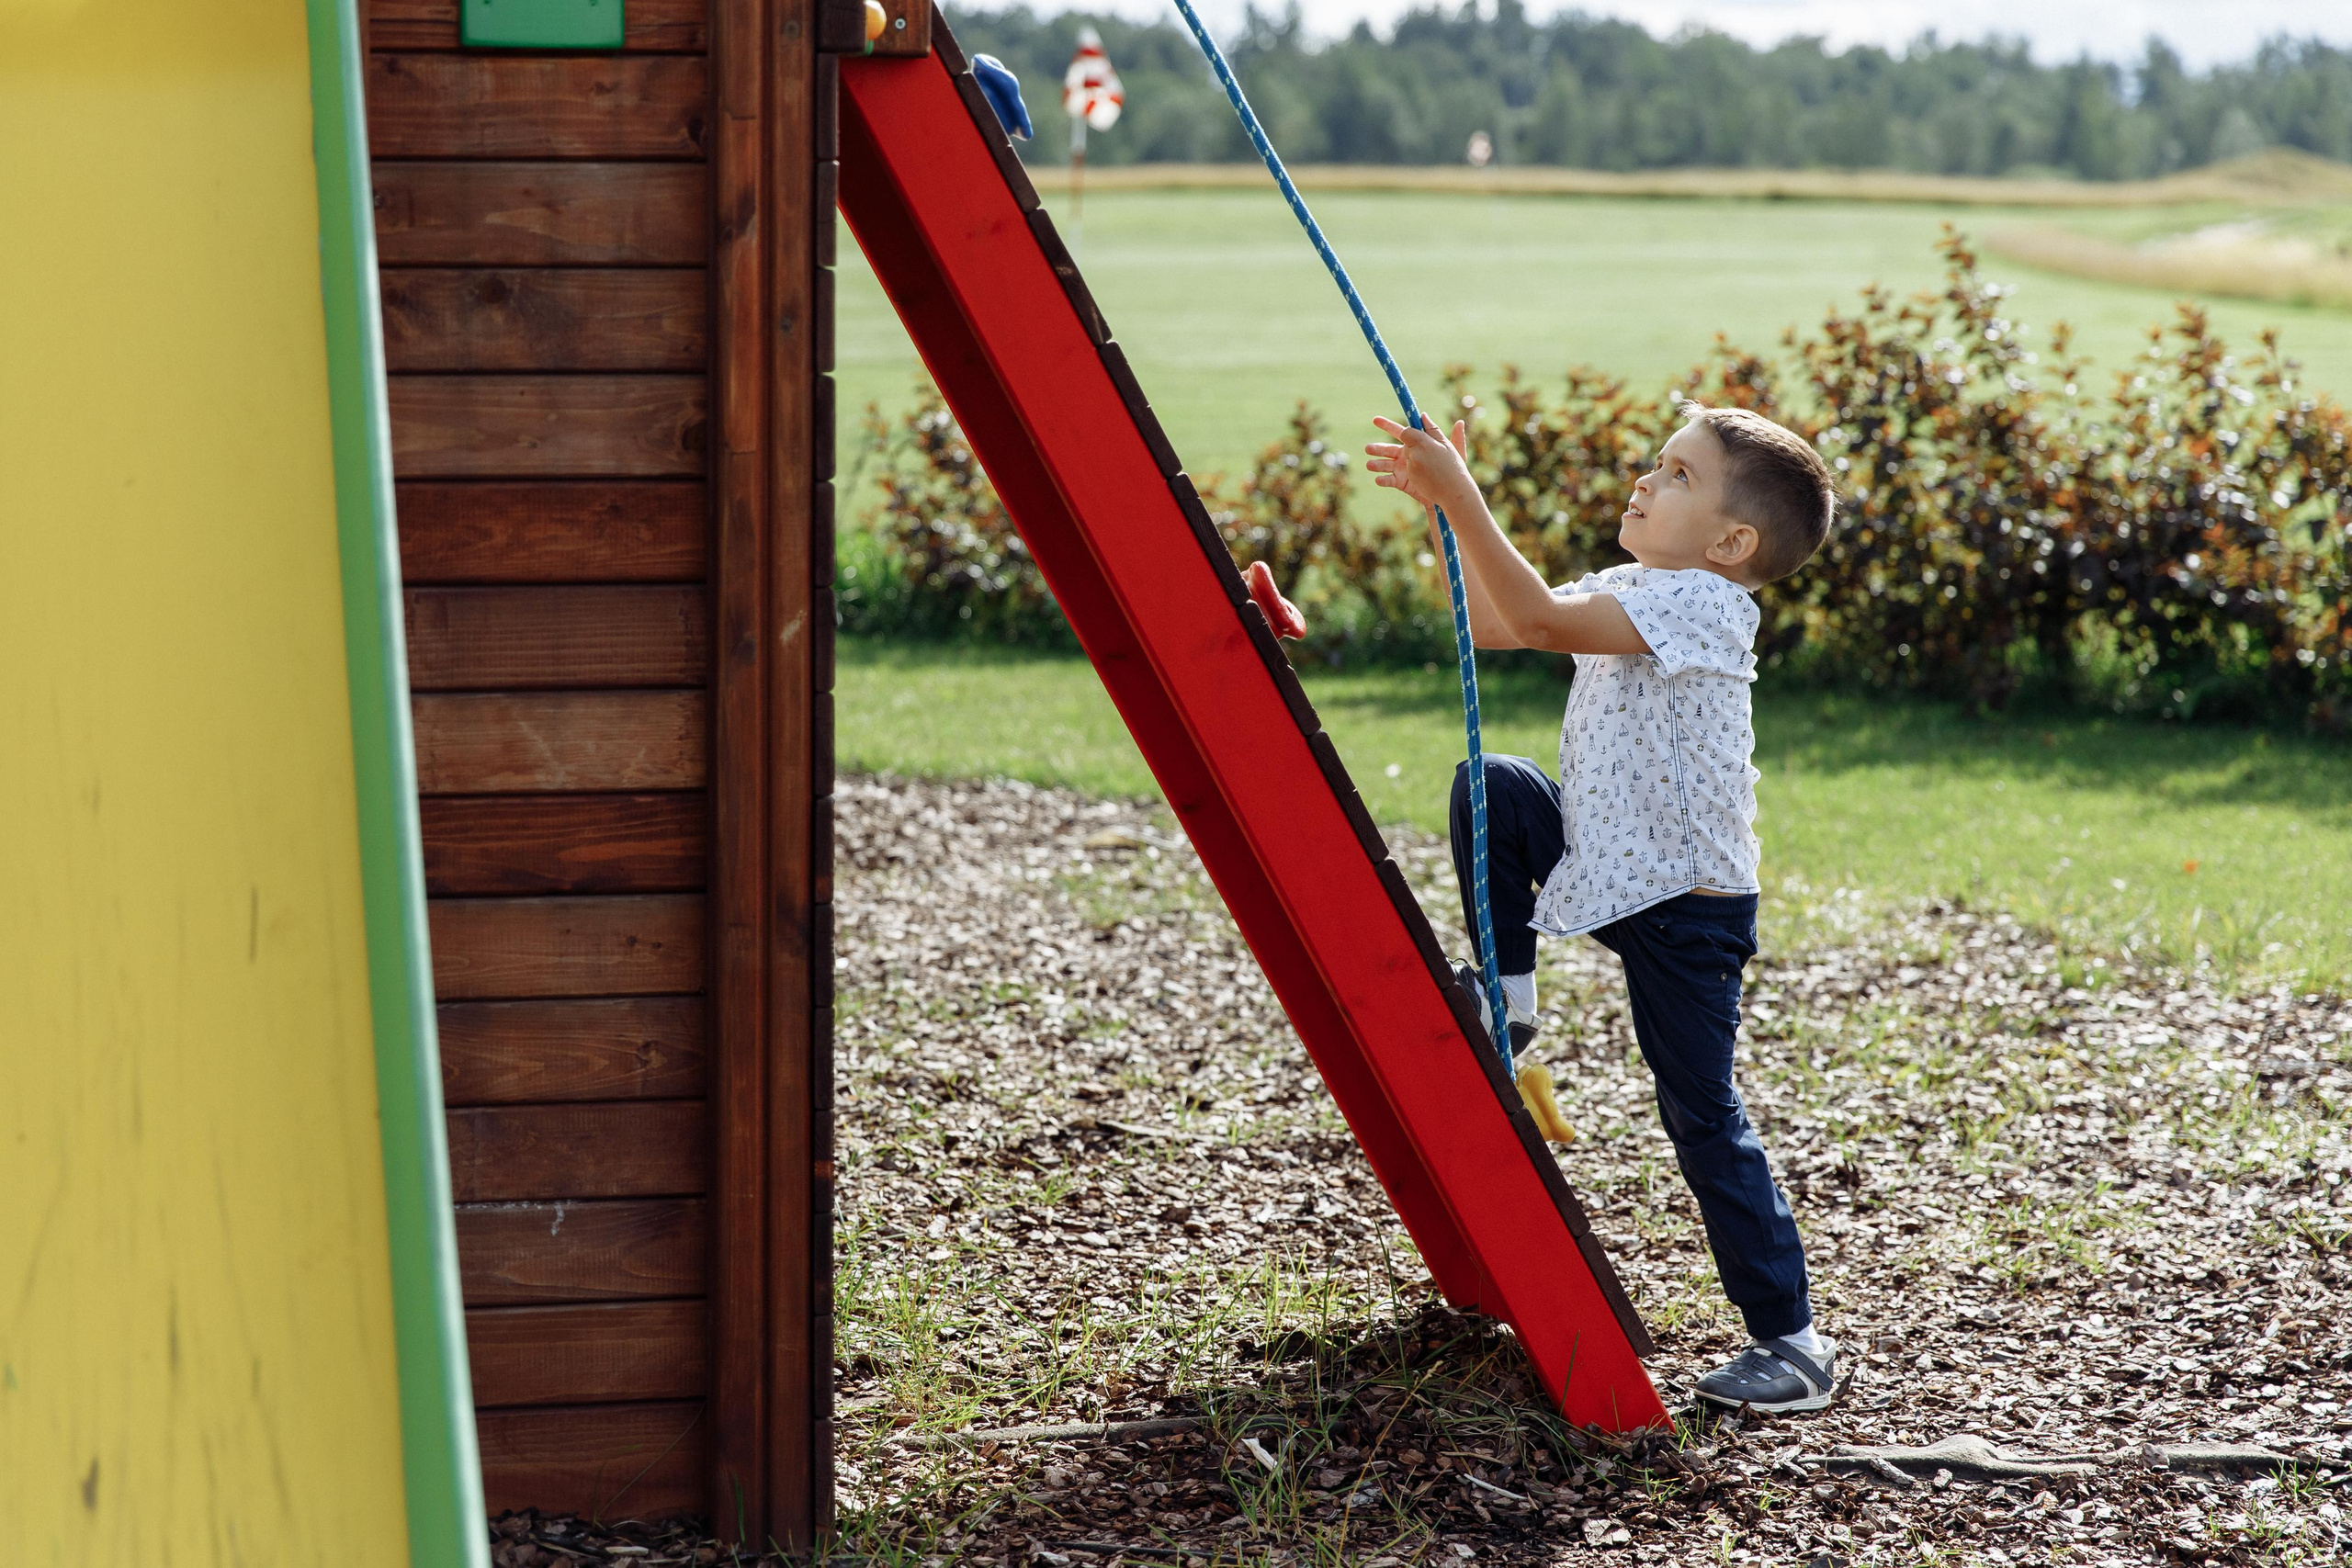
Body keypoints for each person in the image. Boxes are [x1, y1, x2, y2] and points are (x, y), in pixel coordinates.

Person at [1365, 402, 1839, 1415]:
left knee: (1700, 1115)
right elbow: (1500, 621)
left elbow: (1532, 618)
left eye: (1675, 474)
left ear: (1731, 542)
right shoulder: (1635, 585)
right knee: (1489, 781)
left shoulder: (1711, 606)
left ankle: (1792, 1343)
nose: (1643, 479)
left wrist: (1463, 493)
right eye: (1654, 463)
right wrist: (1445, 510)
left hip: (1687, 908)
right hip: (1606, 858)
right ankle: (1510, 1001)